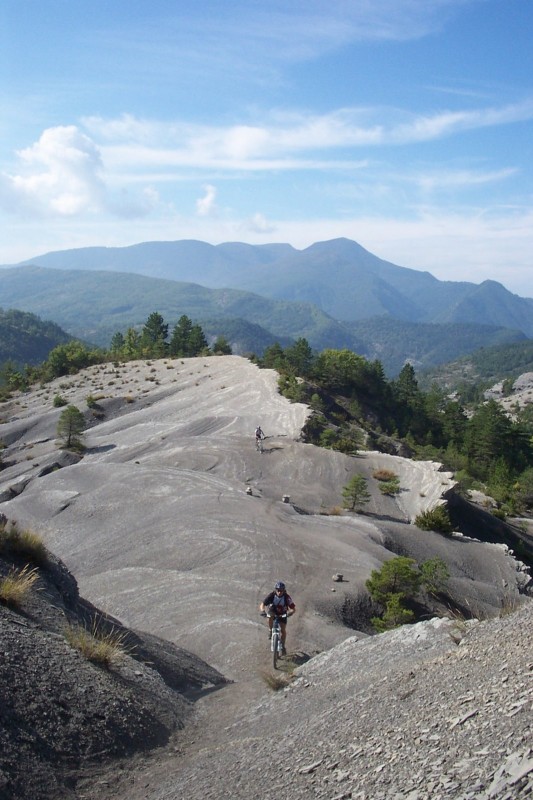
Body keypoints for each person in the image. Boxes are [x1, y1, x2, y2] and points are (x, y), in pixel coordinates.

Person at [259, 581, 295, 654]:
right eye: (278, 590)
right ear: (276, 590)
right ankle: (270, 630)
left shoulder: (287, 597)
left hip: (282, 614)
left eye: (281, 590)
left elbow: (293, 608)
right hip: (273, 612)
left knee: (283, 630)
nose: (279, 592)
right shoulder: (272, 595)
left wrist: (290, 613)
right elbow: (262, 604)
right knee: (269, 616)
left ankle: (283, 646)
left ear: (284, 590)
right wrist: (263, 611)